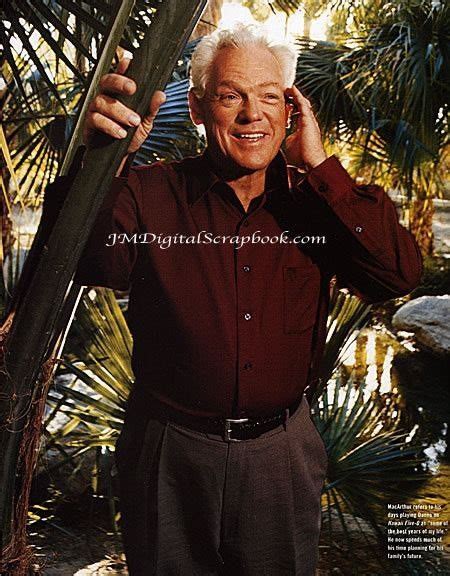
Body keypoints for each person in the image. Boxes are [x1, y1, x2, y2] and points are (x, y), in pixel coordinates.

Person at [42, 24, 422, 576]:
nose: (253, 114)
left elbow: (397, 273)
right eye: (230, 95)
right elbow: (88, 261)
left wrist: (320, 165)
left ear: (291, 108)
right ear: (197, 107)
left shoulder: (315, 202)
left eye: (271, 96)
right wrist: (104, 158)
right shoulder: (149, 192)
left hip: (281, 455)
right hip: (169, 453)